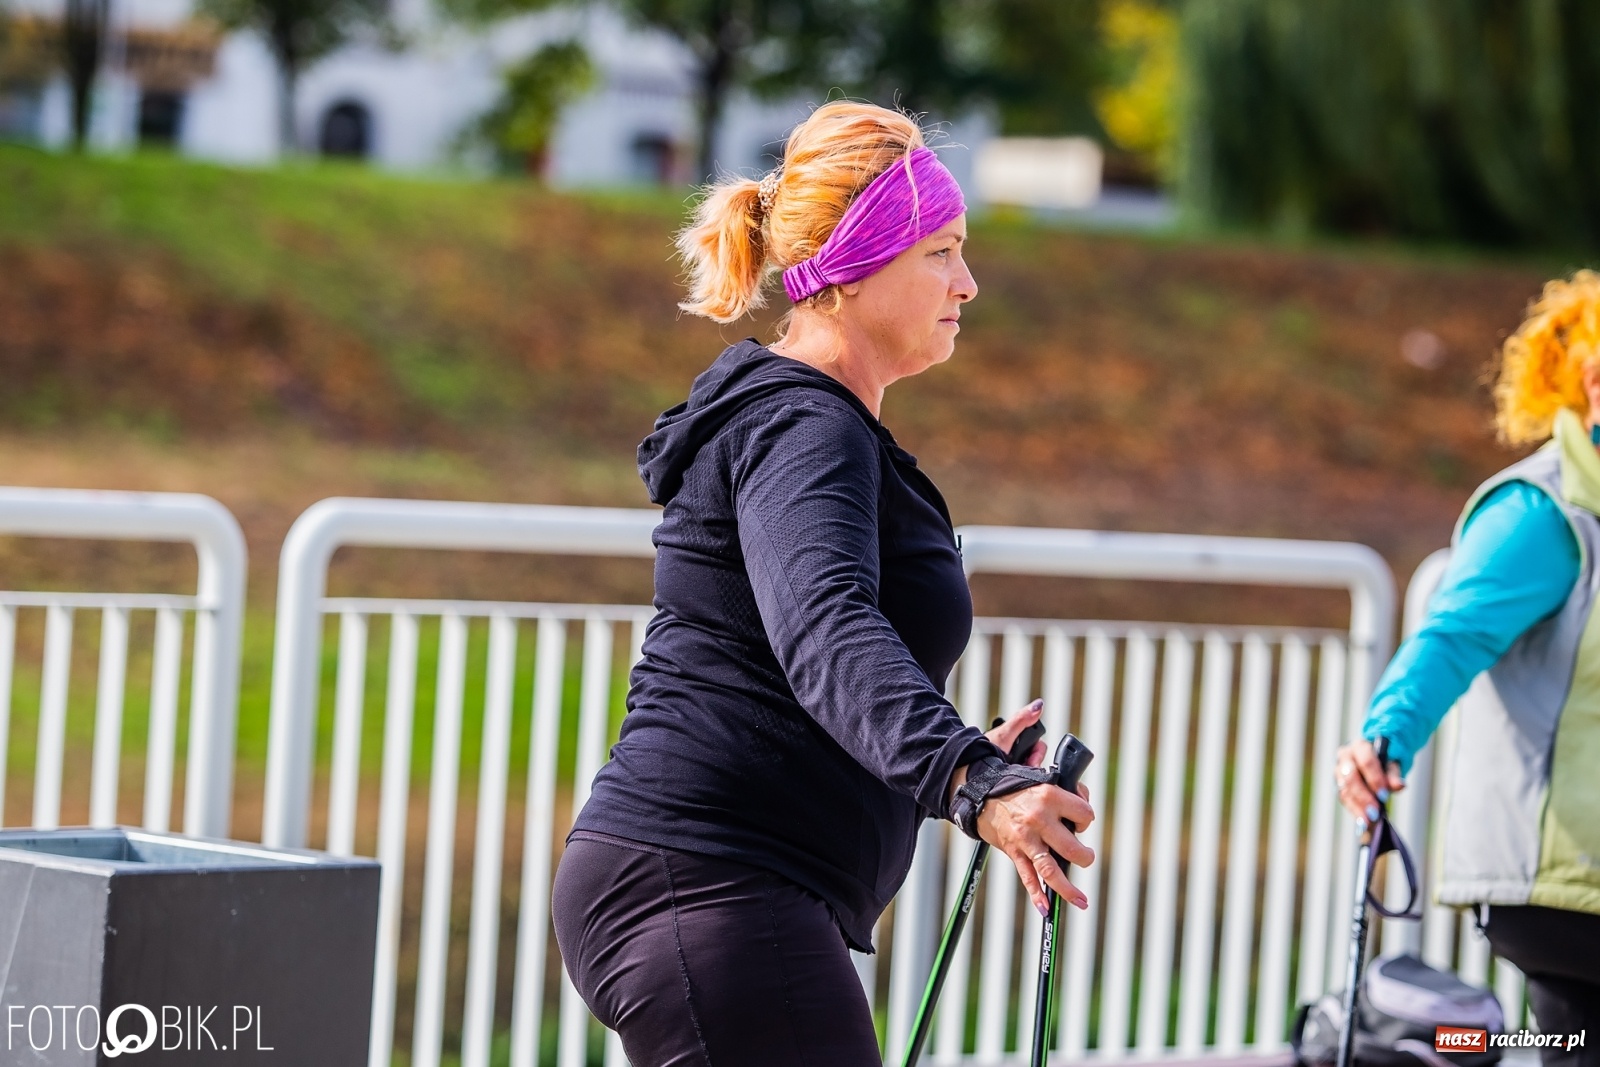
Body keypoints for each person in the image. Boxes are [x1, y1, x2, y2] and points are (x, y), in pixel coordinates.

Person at [551, 100, 1096, 1066]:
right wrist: (970, 780)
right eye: (940, 253)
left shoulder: (815, 422)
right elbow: (825, 630)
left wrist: (969, 754)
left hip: (712, 882)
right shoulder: (805, 426)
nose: (967, 282)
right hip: (708, 881)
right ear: (854, 266)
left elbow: (806, 659)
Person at [1337, 271, 1600, 1062]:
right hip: (1564, 881)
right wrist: (1384, 736)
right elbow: (1449, 635)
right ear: (1594, 381)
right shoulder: (1541, 515)